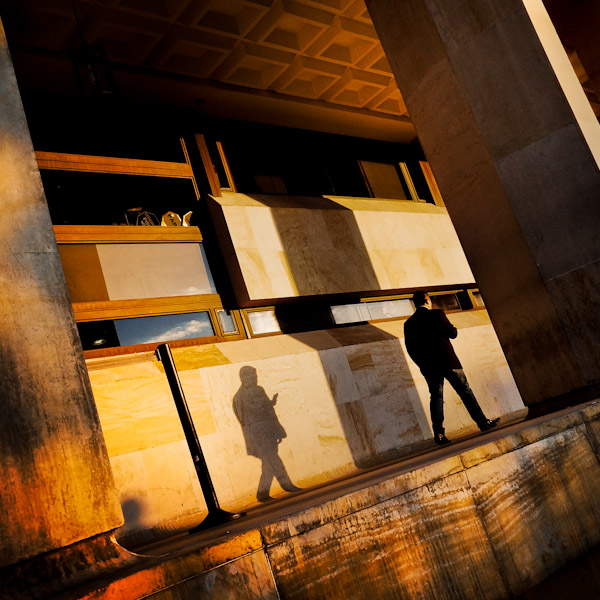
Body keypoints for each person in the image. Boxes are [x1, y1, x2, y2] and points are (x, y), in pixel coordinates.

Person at [404, 291, 500, 445]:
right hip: (448, 361)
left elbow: (411, 349)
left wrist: (423, 365)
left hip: (429, 367)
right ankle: (483, 423)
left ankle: (439, 434)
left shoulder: (409, 324)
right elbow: (452, 333)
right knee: (465, 392)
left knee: (436, 398)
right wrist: (451, 328)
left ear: (415, 303)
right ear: (427, 301)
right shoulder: (436, 314)